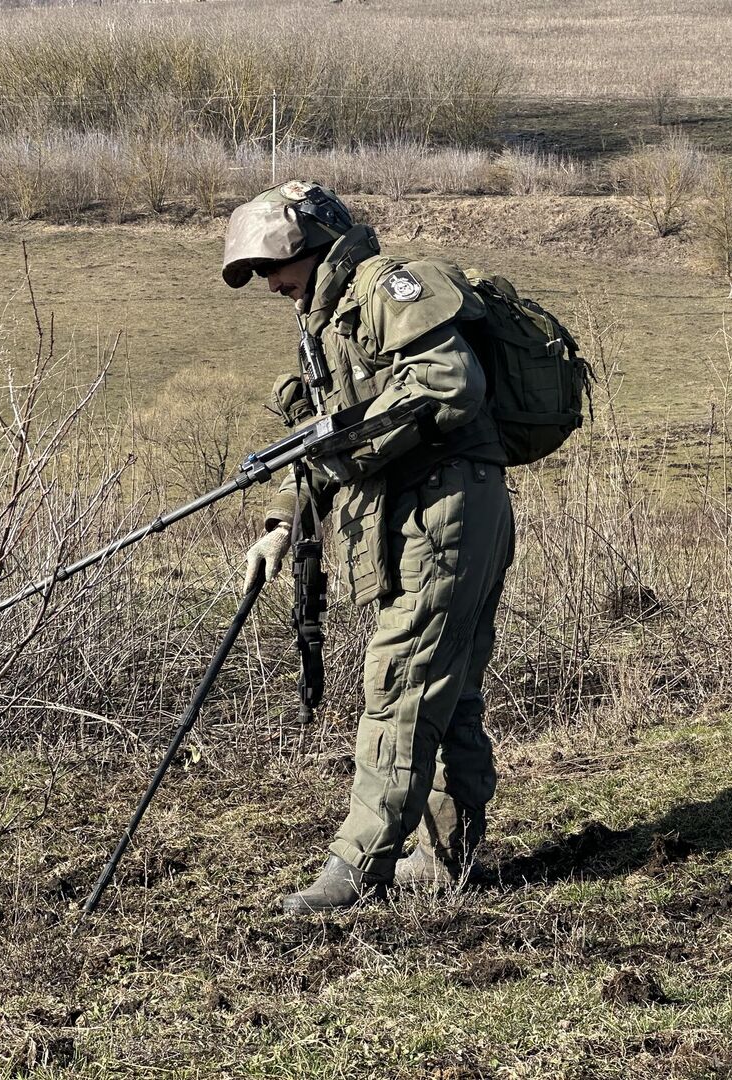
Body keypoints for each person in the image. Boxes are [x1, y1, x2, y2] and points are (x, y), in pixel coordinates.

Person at [223, 181, 515, 914]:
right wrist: (282, 525)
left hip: (442, 509)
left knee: (400, 686)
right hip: (418, 513)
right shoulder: (325, 322)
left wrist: (345, 442)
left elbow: (451, 381)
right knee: (447, 691)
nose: (268, 285)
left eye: (272, 266)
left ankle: (357, 870)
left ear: (314, 246)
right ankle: (447, 858)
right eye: (257, 273)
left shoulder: (384, 288)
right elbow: (325, 442)